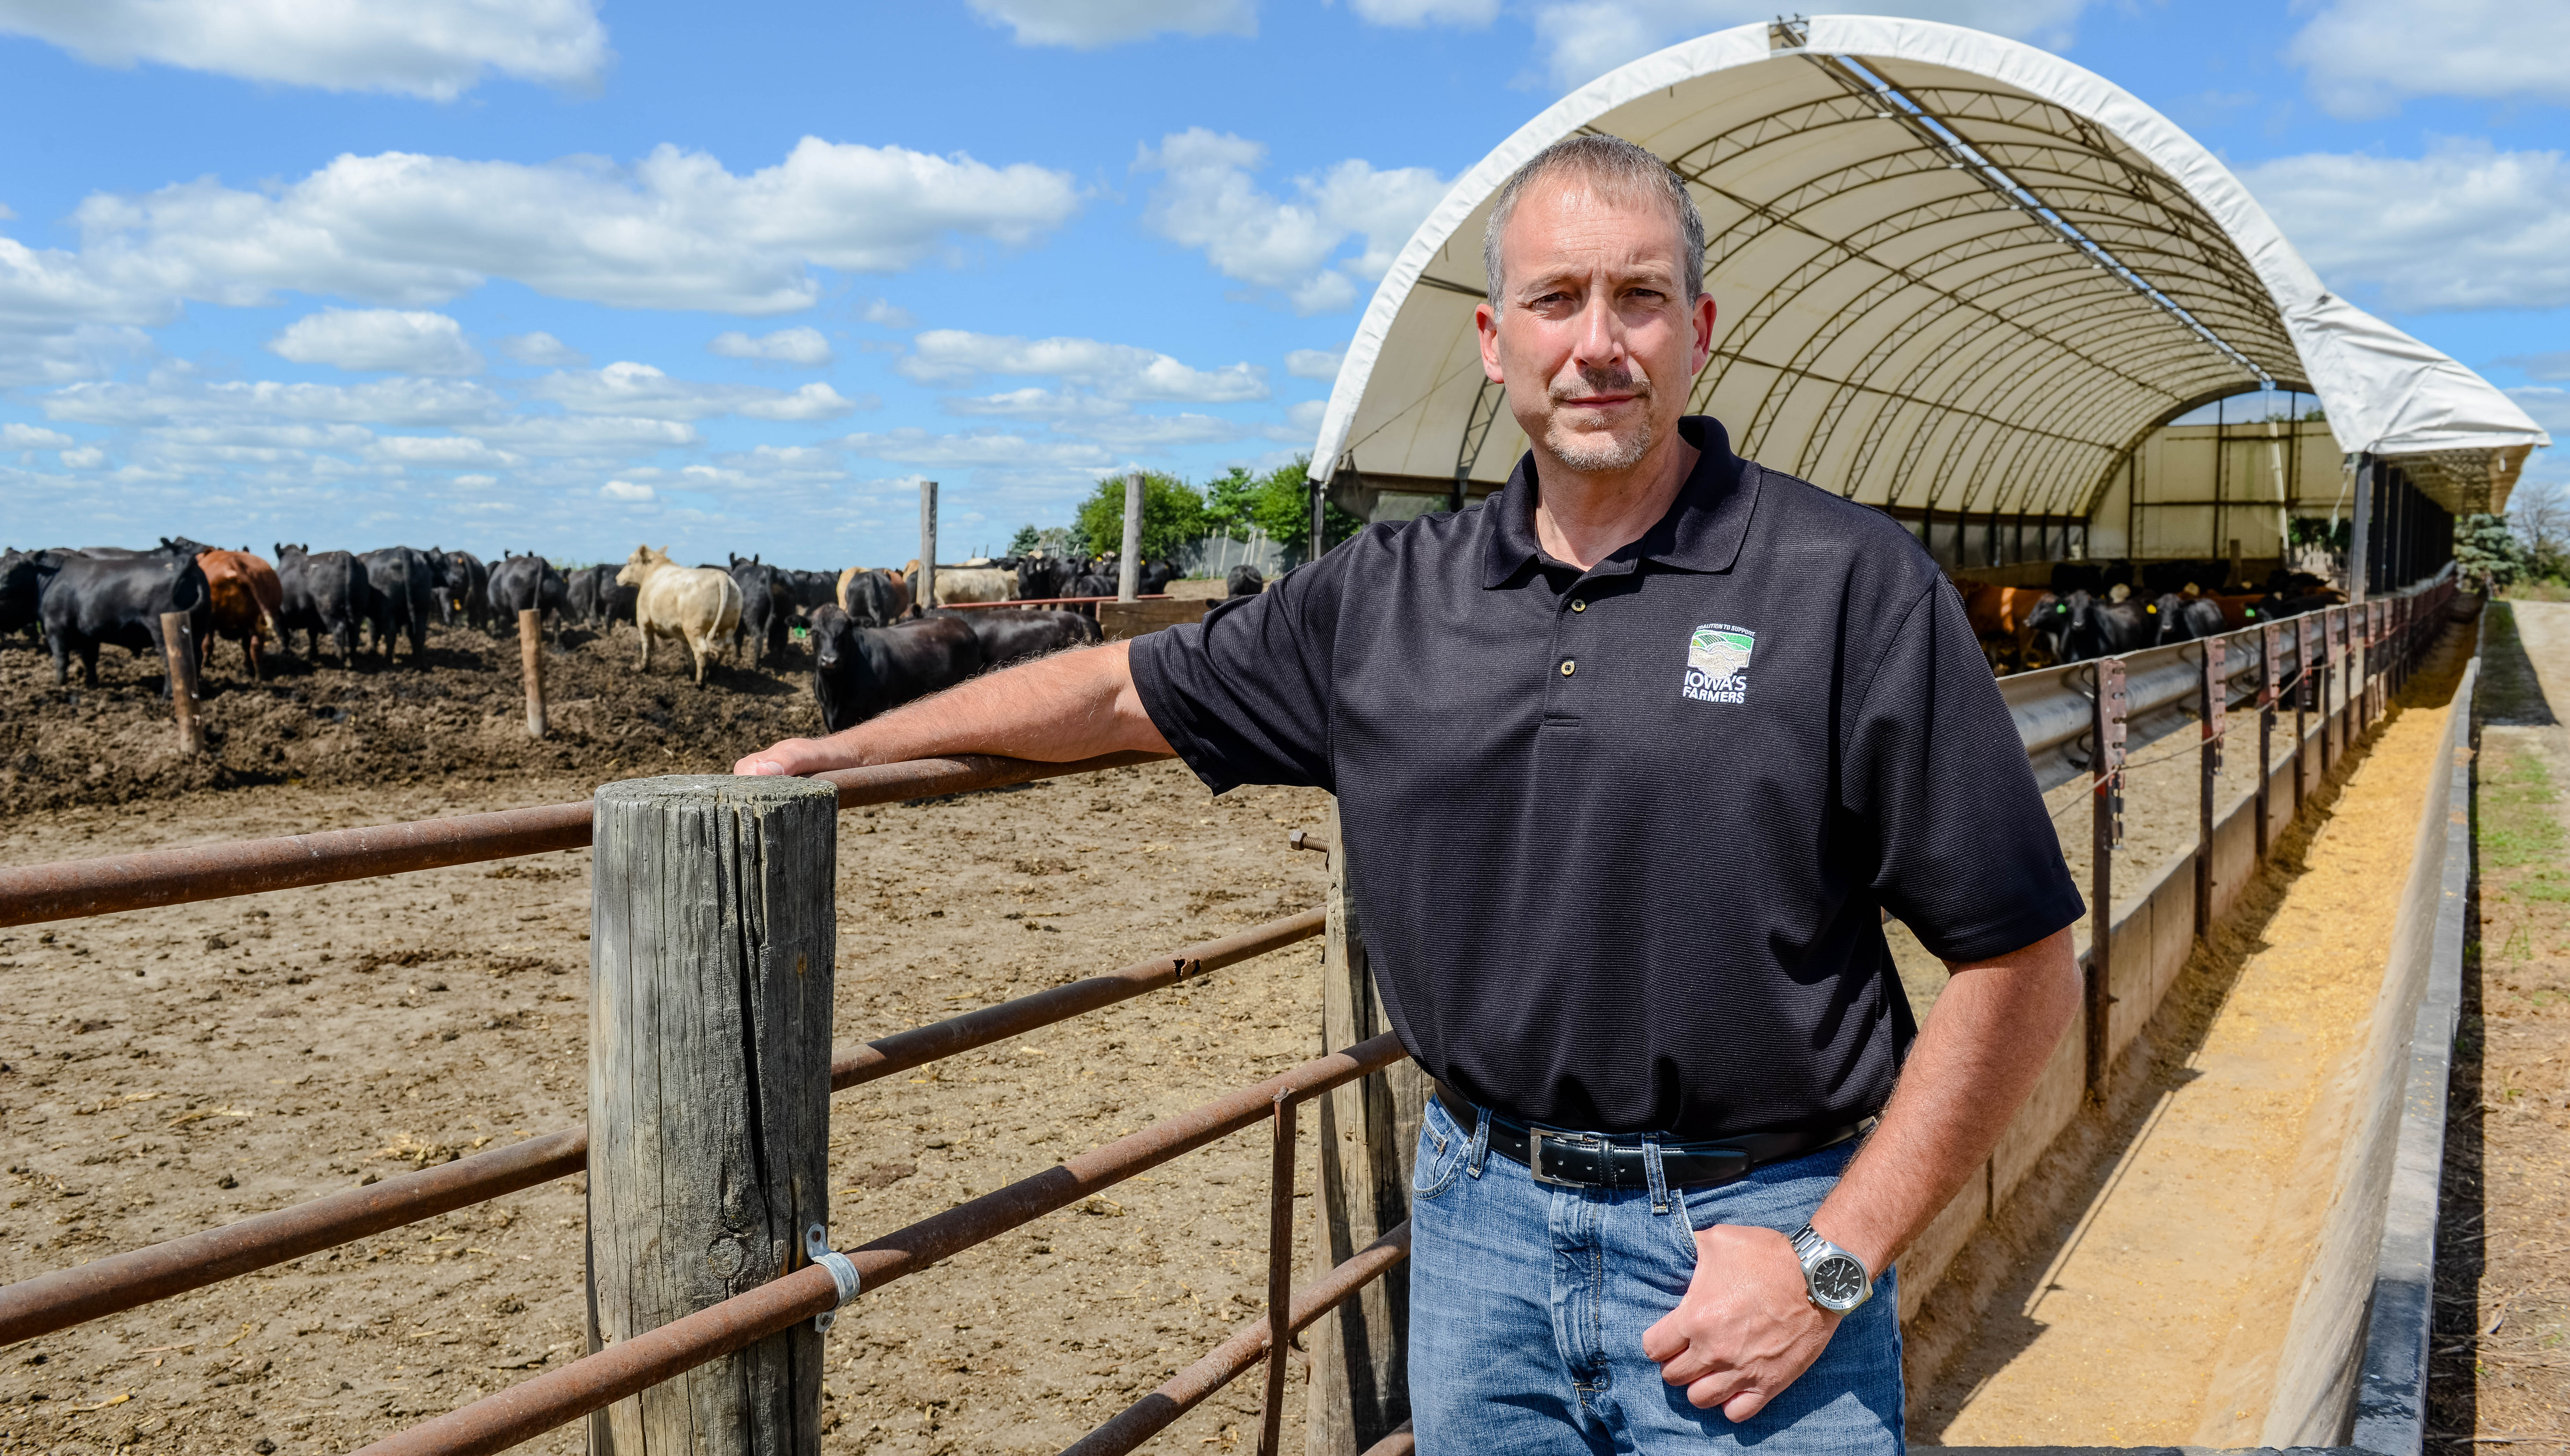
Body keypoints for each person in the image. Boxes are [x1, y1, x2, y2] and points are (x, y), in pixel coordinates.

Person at [739, 134, 2084, 1453]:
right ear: (1496, 342)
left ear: (1701, 330)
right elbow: (1113, 692)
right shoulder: (1388, 596)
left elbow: (2022, 957)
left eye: (1640, 297)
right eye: (1557, 300)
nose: (1598, 342)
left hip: (1752, 1236)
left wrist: (1831, 1266)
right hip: (1480, 1231)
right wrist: (848, 749)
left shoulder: (1845, 582)